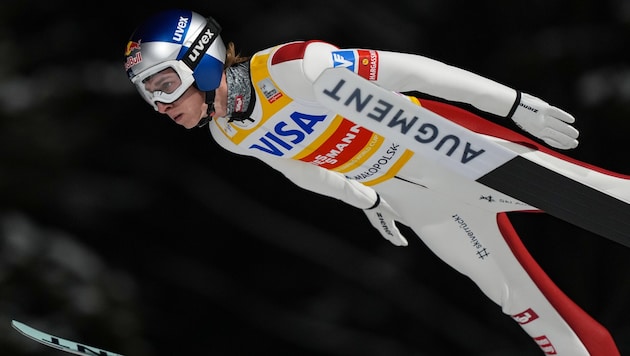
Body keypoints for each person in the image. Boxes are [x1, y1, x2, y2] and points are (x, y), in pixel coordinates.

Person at [123, 9, 622, 355]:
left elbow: (412, 72)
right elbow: (297, 168)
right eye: (149, 95)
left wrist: (511, 104)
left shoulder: (294, 67)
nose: (161, 106)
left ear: (202, 60)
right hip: (423, 208)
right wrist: (364, 198)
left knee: (608, 202)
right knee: (528, 311)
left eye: (164, 85)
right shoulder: (229, 135)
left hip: (451, 152)